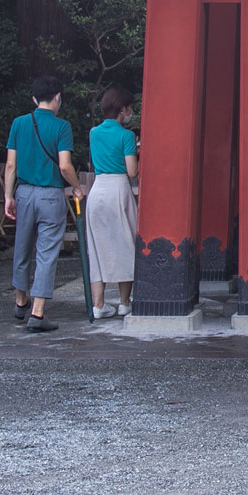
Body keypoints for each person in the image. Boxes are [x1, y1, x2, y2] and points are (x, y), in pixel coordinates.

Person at [3, 73, 80, 333]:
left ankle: (20, 299)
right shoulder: (61, 127)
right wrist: (77, 187)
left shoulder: (18, 123)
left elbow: (11, 164)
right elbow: (65, 165)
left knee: (22, 247)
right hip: (50, 195)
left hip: (24, 192)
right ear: (57, 97)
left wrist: (8, 195)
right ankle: (37, 313)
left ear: (34, 98)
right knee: (46, 253)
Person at [83, 85, 138, 320]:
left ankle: (98, 304)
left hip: (97, 189)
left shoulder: (93, 132)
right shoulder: (127, 136)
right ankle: (125, 302)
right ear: (122, 109)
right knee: (126, 244)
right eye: (130, 108)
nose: (131, 112)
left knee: (96, 247)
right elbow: (132, 171)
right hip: (118, 189)